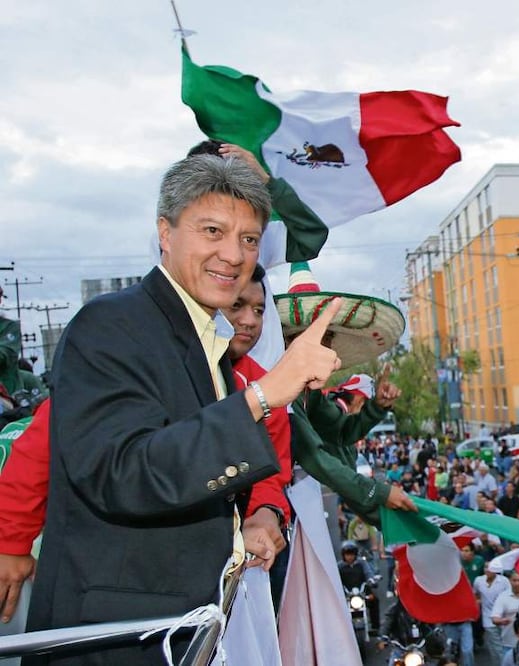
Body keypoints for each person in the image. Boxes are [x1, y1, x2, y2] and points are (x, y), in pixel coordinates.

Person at [25, 156, 346, 662]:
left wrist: (256, 518)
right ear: (165, 233)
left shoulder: (206, 340)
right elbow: (123, 474)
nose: (233, 255)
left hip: (185, 630)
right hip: (117, 640)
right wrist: (264, 395)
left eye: (248, 239)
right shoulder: (110, 325)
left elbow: (197, 469)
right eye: (212, 231)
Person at [476, 561, 512, 664]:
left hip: (504, 618)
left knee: (506, 644)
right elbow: (476, 595)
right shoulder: (478, 581)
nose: (488, 570)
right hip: (488, 619)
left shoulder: (504, 581)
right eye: (486, 567)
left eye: (490, 567)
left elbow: (510, 596)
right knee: (496, 647)